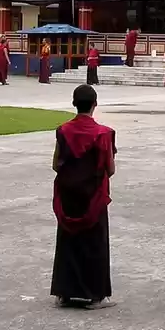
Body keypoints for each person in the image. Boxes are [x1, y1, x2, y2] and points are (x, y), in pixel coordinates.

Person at [50, 84, 117, 308]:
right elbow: (110, 169)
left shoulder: (63, 130)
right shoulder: (104, 133)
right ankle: (95, 296)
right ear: (95, 105)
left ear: (73, 104)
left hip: (69, 195)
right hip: (93, 196)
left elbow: (55, 164)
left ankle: (64, 293)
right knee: (94, 243)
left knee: (68, 242)